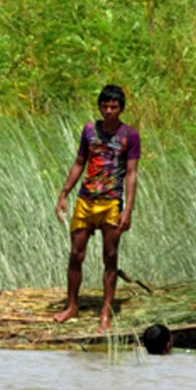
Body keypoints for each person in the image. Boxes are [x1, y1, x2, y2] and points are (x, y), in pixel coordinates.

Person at [54, 84, 140, 333]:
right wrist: (64, 193)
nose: (109, 111)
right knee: (76, 254)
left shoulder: (130, 135)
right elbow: (79, 162)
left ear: (121, 108)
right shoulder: (89, 130)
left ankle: (105, 313)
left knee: (110, 257)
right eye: (105, 106)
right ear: (100, 107)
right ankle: (72, 306)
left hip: (111, 202)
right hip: (86, 200)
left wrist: (128, 210)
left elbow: (131, 173)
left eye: (114, 107)